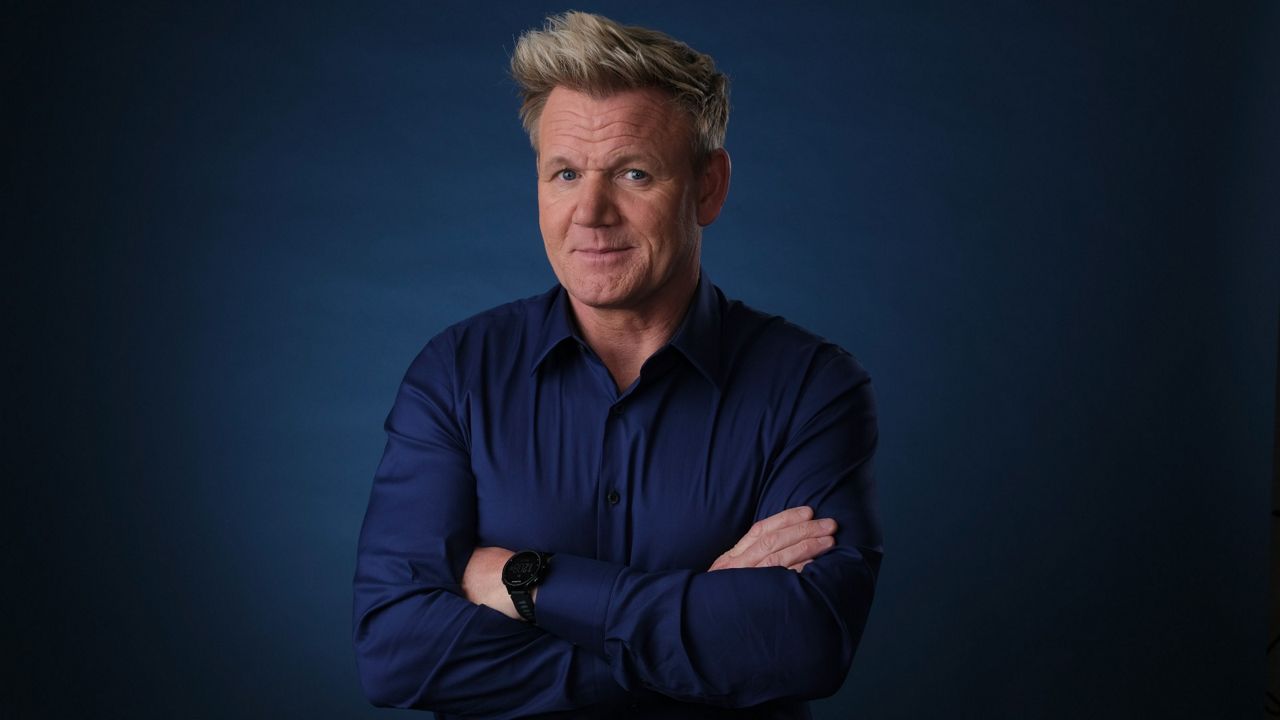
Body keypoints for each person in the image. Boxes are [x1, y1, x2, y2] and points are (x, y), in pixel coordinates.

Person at [353, 11, 882, 719]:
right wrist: (693, 623)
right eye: (565, 173)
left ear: (708, 187)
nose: (591, 211)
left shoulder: (811, 388)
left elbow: (804, 644)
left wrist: (525, 581)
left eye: (634, 173)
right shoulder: (456, 374)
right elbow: (396, 654)